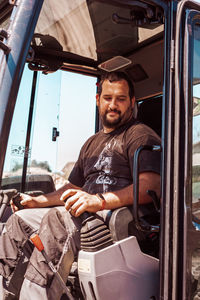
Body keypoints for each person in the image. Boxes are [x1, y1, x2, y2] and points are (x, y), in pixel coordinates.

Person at [0, 72, 161, 299]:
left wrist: (98, 201)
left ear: (132, 102)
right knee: (19, 221)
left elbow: (150, 186)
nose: (113, 105)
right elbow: (71, 189)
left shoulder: (139, 135)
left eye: (121, 99)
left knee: (56, 220)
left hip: (117, 221)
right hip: (85, 213)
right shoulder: (91, 143)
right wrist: (36, 201)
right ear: (98, 100)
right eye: (107, 98)